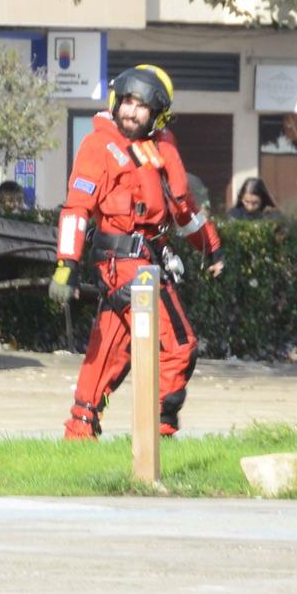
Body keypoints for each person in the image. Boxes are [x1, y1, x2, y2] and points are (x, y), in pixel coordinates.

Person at [51, 65, 225, 439]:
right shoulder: (98, 145)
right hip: (124, 263)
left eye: (140, 106)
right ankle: (159, 433)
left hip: (148, 260)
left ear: (157, 113)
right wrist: (66, 265)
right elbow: (76, 208)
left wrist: (210, 245)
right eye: (126, 101)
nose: (130, 111)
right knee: (180, 346)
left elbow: (184, 206)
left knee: (112, 346)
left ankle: (78, 430)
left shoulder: (164, 145)